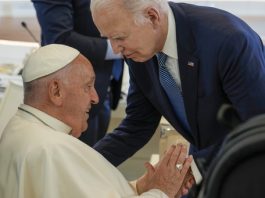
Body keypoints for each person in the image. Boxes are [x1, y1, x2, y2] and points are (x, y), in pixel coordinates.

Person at [0, 44, 193, 198]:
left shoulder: (20, 128)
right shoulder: (51, 149)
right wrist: (162, 191)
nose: (95, 98)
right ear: (56, 91)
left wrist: (143, 187)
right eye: (88, 86)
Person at [90, 0, 265, 167]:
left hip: (246, 165)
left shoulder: (229, 40)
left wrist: (193, 169)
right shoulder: (139, 51)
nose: (115, 49)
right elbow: (138, 124)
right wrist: (82, 163)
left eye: (120, 37)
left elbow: (257, 128)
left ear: (152, 17)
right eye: (108, 39)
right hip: (203, 159)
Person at [31, 0, 124, 146]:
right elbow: (61, 39)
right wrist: (119, 47)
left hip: (105, 86)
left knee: (94, 161)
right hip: (70, 96)